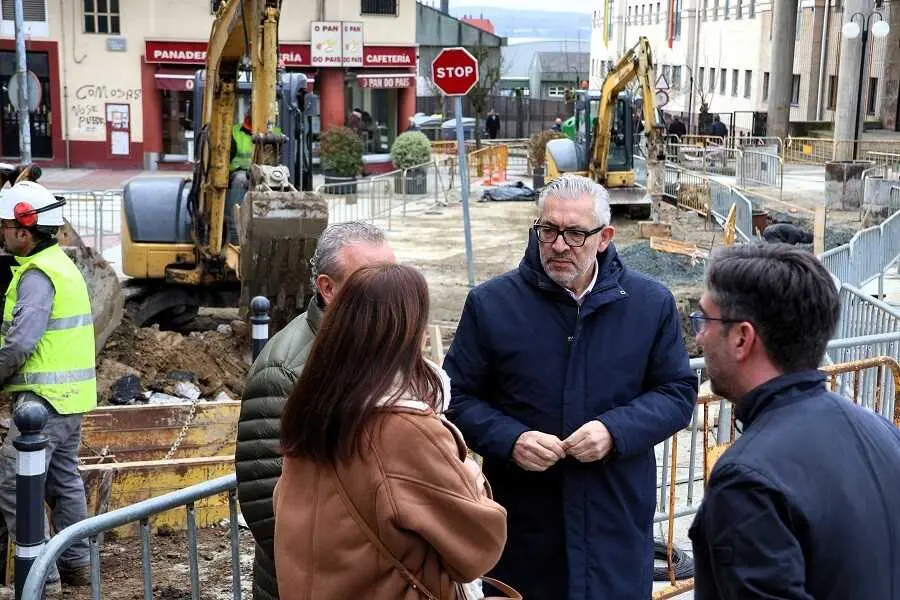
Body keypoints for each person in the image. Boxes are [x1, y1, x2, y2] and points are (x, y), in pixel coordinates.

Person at [444, 173, 697, 599]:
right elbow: (456, 398)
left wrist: (615, 432)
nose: (559, 245)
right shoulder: (491, 304)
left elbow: (677, 393)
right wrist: (512, 439)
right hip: (525, 534)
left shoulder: (650, 303)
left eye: (576, 233)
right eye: (549, 231)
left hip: (614, 528)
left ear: (605, 237)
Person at [274, 263, 508, 599]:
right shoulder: (403, 430)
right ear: (409, 332)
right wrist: (471, 480)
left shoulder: (311, 411)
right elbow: (480, 547)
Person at [688, 244, 900, 599]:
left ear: (742, 338)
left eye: (704, 321)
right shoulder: (882, 432)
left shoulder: (747, 480)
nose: (698, 336)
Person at [236, 221, 396, 600]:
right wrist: (353, 565)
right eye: (371, 281)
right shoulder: (286, 371)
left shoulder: (378, 345)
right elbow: (266, 505)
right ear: (328, 287)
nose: (388, 292)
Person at [0, 181, 96, 596]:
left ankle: (41, 576)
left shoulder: (38, 275)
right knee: (63, 481)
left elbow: (21, 342)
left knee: (13, 480)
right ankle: (78, 565)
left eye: (5, 226)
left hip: (44, 402)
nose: (1, 232)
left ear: (25, 229)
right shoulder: (60, 263)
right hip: (70, 399)